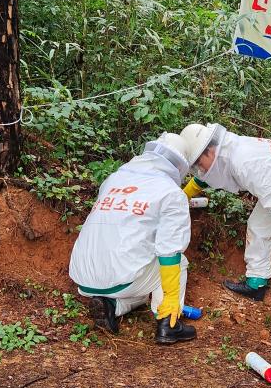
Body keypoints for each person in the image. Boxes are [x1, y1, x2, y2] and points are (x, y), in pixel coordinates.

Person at [180, 123, 271, 329]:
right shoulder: (225, 153)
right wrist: (185, 193)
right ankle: (256, 283)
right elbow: (212, 175)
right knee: (257, 228)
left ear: (209, 150)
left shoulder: (244, 160)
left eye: (198, 162)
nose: (199, 167)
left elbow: (270, 193)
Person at [69, 133, 196, 344]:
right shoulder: (171, 193)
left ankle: (111, 306)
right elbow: (169, 250)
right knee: (178, 262)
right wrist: (172, 297)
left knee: (139, 287)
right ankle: (167, 323)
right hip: (122, 276)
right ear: (178, 165)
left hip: (84, 278)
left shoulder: (115, 179)